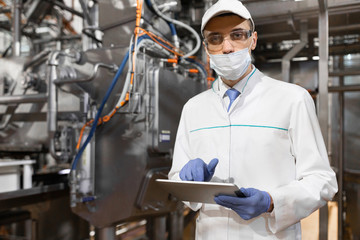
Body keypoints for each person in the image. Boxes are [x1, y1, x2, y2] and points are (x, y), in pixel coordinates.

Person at [168, 0, 338, 239]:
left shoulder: (292, 99)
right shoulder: (194, 108)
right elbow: (177, 179)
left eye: (237, 35)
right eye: (215, 39)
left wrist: (271, 202)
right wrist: (188, 181)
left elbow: (322, 180)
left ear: (253, 40)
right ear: (206, 48)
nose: (227, 47)